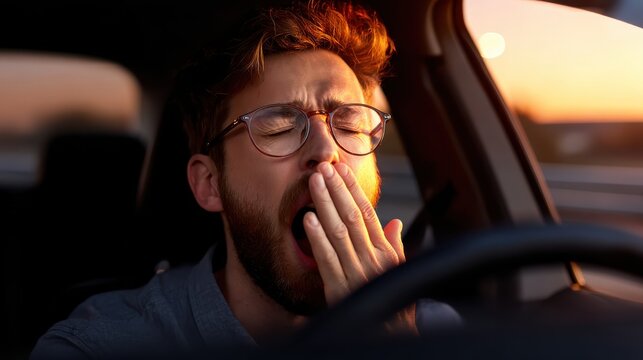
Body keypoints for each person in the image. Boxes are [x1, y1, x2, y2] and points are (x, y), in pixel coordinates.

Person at [31, 1, 459, 358]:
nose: (327, 152)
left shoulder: (436, 331)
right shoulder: (99, 345)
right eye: (278, 127)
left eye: (349, 123)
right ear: (209, 184)